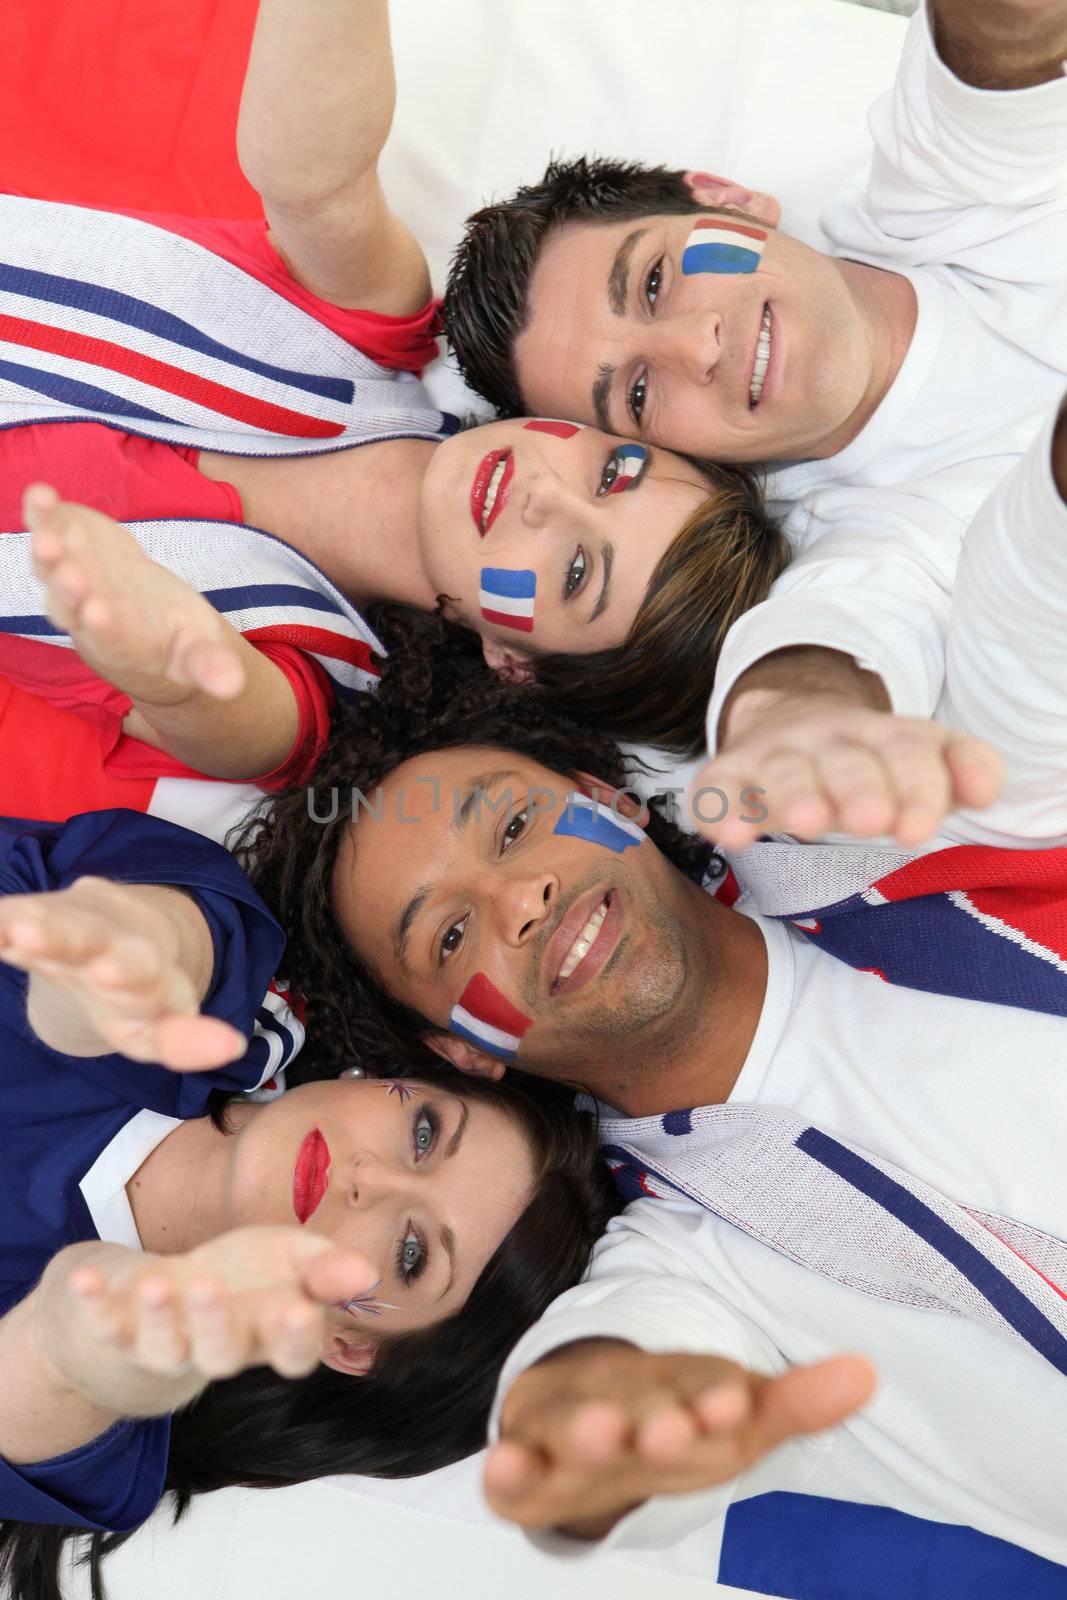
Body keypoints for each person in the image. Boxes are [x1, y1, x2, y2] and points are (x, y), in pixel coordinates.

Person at [233, 396, 1067, 1576]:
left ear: (610, 796)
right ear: (464, 1048)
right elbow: (591, 1375)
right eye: (452, 933)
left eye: (515, 822)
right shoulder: (684, 1256)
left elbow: (1017, 616)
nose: (519, 898)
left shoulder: (873, 835)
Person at [0, 0, 785, 839]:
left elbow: (210, 692)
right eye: (610, 474)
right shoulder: (370, 331)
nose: (547, 500)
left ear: (514, 663)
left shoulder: (307, 685)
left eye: (574, 572)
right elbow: (316, 181)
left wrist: (161, 654)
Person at [443, 0, 1067, 852]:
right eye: (635, 394)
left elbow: (994, 64)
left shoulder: (944, 193)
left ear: (727, 199)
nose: (696, 346)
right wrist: (785, 726)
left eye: (654, 282)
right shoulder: (876, 544)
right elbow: (825, 644)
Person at [0, 807, 617, 1600]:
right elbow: (166, 939)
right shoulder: (222, 953)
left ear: (348, 1344)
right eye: (424, 1133)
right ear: (389, 1078)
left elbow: (43, 1380)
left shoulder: (106, 1439)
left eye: (410, 1253)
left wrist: (81, 1344)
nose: (371, 1180)